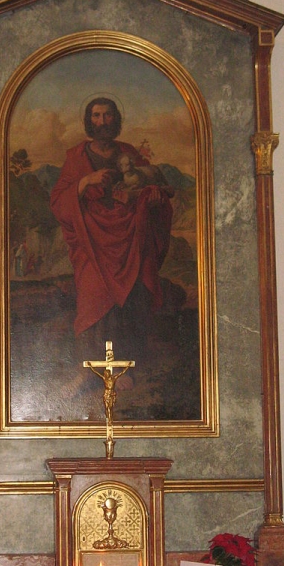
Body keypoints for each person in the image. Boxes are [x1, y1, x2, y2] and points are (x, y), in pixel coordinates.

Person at [50, 97, 173, 370]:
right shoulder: (76, 157)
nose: (102, 121)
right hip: (91, 239)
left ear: (115, 119)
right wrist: (86, 181)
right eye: (96, 116)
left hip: (129, 237)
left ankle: (129, 364)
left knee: (132, 293)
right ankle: (92, 367)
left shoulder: (129, 152)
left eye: (107, 115)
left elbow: (152, 184)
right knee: (94, 292)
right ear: (88, 120)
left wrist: (154, 196)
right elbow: (58, 202)